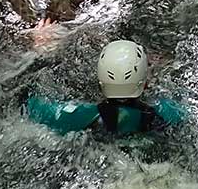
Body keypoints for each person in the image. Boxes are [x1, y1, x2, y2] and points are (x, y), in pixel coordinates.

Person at [26, 40, 186, 136]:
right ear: (145, 83)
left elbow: (26, 101)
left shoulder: (76, 117)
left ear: (100, 80)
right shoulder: (169, 113)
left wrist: (40, 54)